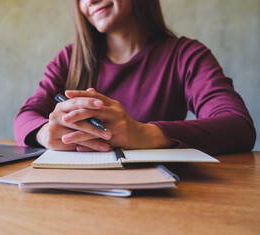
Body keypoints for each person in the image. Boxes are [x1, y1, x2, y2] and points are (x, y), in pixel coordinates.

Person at [14, 0, 256, 155]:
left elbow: (238, 127)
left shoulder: (186, 55)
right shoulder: (69, 59)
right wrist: (46, 132)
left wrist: (143, 134)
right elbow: (25, 117)